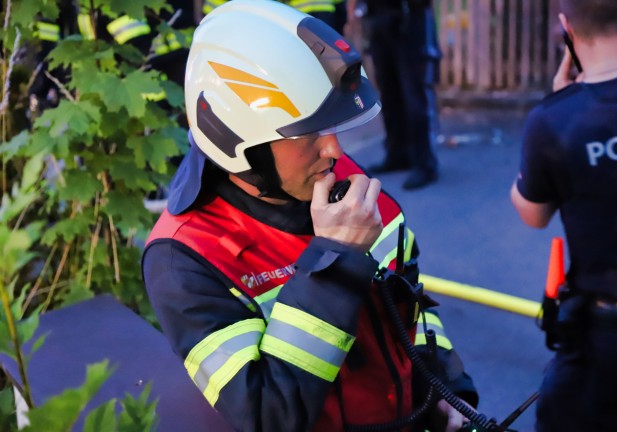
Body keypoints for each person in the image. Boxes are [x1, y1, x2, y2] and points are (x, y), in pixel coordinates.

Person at [142, 1, 479, 431]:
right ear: (236, 141)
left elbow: (413, 306)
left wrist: (446, 389)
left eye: (333, 126)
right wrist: (335, 261)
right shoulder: (186, 259)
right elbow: (269, 414)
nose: (335, 150)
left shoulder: (338, 178)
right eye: (308, 132)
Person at [510, 1, 617, 431]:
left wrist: (556, 117)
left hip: (613, 333)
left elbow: (533, 214)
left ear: (566, 27)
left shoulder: (554, 121)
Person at [347, 0, 442, 190]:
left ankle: (425, 163)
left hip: (409, 18)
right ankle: (397, 154)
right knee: (389, 94)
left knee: (415, 95)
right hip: (379, 19)